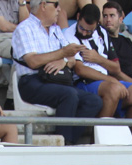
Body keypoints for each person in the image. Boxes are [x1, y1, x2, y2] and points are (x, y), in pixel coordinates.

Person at [12, 0, 102, 146]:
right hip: (32, 81)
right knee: (69, 95)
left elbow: (72, 58)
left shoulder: (56, 29)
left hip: (56, 81)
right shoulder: (24, 29)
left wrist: (64, 61)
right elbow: (32, 61)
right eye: (56, 5)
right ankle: (63, 142)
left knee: (94, 101)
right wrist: (62, 53)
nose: (59, 9)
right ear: (43, 5)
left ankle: (69, 140)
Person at [65, 3, 132, 118]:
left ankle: (126, 133)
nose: (84, 33)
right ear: (77, 18)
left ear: (97, 24)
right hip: (84, 82)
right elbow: (80, 70)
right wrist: (111, 80)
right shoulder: (68, 34)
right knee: (114, 89)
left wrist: (98, 59)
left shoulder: (102, 31)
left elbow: (116, 68)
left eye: (89, 31)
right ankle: (98, 135)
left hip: (106, 81)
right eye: (82, 28)